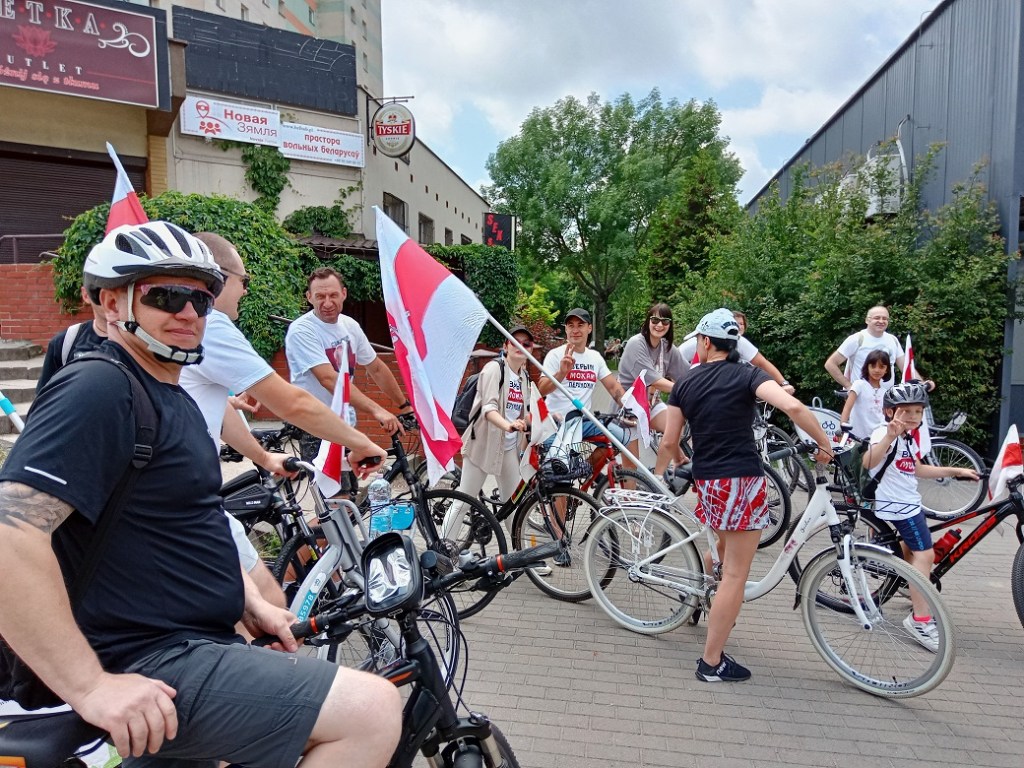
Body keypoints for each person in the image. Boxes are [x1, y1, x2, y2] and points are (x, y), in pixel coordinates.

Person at [0, 221, 401, 765]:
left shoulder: (173, 398)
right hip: (149, 658)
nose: (189, 312)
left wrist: (251, 603)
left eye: (201, 298)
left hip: (192, 641)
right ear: (111, 303)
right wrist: (91, 686)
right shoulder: (101, 387)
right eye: (166, 296)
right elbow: (11, 535)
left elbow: (189, 523)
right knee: (371, 709)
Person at [177, 232, 388, 602]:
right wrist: (362, 443)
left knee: (257, 605)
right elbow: (292, 403)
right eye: (243, 280)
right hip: (187, 498)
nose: (245, 290)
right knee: (268, 605)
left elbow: (218, 407)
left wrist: (262, 456)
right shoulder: (210, 324)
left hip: (188, 493)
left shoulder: (193, 328)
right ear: (218, 279)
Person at [654, 308, 831, 683]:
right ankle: (711, 662)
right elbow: (793, 406)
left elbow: (669, 441)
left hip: (708, 482)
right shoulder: (748, 374)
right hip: (742, 479)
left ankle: (703, 593)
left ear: (705, 341)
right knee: (736, 574)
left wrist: (669, 468)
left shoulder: (685, 383)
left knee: (722, 549)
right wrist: (825, 444)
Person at [863, 382, 978, 652]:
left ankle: (909, 583)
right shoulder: (884, 432)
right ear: (890, 412)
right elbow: (868, 461)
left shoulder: (908, 437)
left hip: (910, 503)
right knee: (925, 556)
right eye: (906, 411)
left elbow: (915, 469)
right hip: (898, 506)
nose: (913, 416)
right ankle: (920, 620)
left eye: (918, 411)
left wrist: (954, 471)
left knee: (912, 551)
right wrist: (889, 437)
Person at [285, 267, 411, 461]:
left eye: (333, 295)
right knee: (332, 482)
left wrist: (404, 406)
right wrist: (377, 410)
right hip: (315, 426)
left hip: (345, 424)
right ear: (309, 297)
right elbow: (328, 379)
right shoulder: (302, 331)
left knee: (355, 478)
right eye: (320, 296)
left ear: (344, 294)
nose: (328, 303)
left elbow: (376, 368)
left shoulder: (349, 326)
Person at [453, 326, 533, 508]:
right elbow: (488, 408)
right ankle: (445, 530)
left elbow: (526, 412)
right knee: (463, 504)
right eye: (515, 342)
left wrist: (545, 420)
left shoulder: (524, 377)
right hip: (483, 444)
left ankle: (510, 529)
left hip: (508, 448)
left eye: (526, 344)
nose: (520, 346)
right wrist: (508, 425)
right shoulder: (494, 369)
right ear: (505, 346)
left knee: (513, 507)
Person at [537, 308, 628, 443]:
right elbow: (541, 390)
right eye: (571, 326)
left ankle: (590, 459)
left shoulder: (595, 357)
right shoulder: (555, 355)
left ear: (589, 328)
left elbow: (613, 387)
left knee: (621, 437)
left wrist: (630, 408)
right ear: (566, 329)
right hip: (555, 423)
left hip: (583, 422)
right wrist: (561, 373)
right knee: (557, 456)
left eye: (580, 325)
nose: (575, 330)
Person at [616, 303, 686, 466]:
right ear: (648, 321)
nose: (659, 325)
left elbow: (687, 375)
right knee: (632, 465)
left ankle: (659, 475)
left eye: (665, 321)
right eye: (655, 320)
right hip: (627, 409)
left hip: (651, 404)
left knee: (676, 425)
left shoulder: (668, 349)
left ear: (670, 325)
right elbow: (653, 380)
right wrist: (683, 388)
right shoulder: (636, 343)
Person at [824, 305, 934, 391]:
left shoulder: (893, 340)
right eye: (877, 318)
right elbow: (830, 364)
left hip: (887, 399)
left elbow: (905, 367)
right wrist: (849, 386)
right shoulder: (856, 339)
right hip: (861, 399)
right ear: (867, 320)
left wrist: (922, 383)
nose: (881, 321)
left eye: (885, 319)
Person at [677, 316, 795, 395]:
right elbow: (675, 363)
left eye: (741, 324)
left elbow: (761, 362)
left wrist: (783, 383)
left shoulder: (740, 343)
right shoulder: (749, 373)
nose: (739, 327)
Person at [36, 287, 108, 392]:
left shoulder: (134, 342)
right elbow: (45, 397)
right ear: (86, 294)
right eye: (101, 291)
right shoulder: (65, 342)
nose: (109, 298)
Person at [840, 349, 891, 439]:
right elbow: (847, 408)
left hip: (878, 438)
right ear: (867, 367)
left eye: (881, 367)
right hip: (857, 438)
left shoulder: (885, 393)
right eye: (873, 366)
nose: (877, 370)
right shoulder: (859, 385)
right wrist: (842, 429)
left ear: (886, 370)